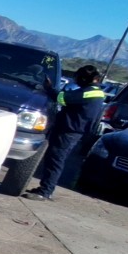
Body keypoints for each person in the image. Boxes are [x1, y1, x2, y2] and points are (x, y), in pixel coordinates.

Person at [23, 64, 107, 200]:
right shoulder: (95, 92)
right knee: (55, 159)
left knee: (55, 160)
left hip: (69, 131)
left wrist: (49, 88)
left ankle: (45, 192)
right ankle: (45, 189)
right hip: (72, 130)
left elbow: (62, 98)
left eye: (77, 77)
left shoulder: (88, 92)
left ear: (84, 78)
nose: (76, 80)